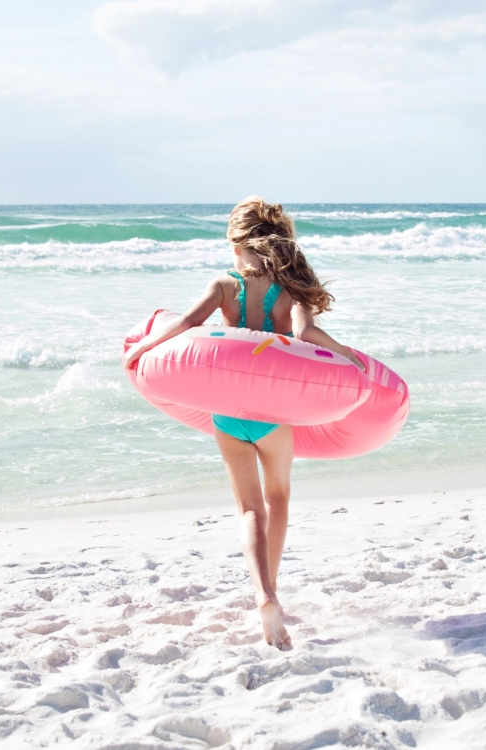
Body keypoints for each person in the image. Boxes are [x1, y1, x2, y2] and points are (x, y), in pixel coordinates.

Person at [123, 196, 364, 651]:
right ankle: (274, 587)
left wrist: (142, 349)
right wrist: (349, 356)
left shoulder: (224, 285)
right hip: (271, 413)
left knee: (250, 509)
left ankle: (262, 594)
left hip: (227, 413)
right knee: (279, 497)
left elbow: (188, 324)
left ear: (236, 246)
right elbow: (306, 335)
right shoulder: (289, 291)